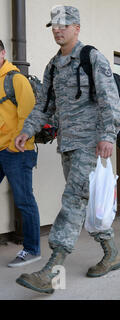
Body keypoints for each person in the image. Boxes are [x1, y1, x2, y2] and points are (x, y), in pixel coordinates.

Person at [14, 6, 120, 294]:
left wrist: (108, 136)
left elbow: (109, 100)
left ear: (77, 27)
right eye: (54, 25)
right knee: (86, 204)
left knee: (73, 200)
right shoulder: (52, 66)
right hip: (68, 145)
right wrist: (28, 130)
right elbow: (44, 106)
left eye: (63, 24)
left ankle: (52, 270)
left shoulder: (91, 58)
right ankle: (111, 253)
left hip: (92, 143)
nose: (57, 29)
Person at [0, 40, 41, 268]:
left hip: (17, 151)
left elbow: (28, 115)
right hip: (0, 149)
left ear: (3, 53)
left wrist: (13, 146)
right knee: (24, 200)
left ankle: (32, 249)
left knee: (24, 201)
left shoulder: (16, 79)